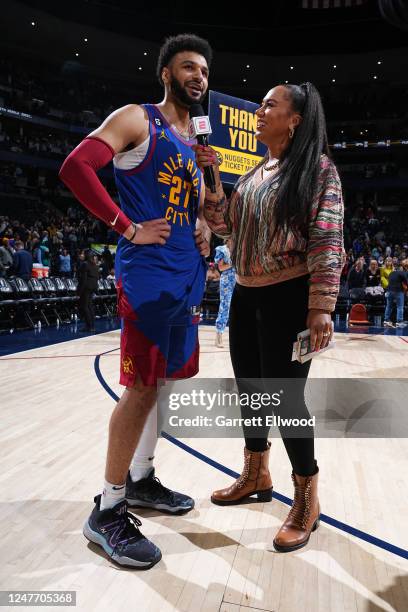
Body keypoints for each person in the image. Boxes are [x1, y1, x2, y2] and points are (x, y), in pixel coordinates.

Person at [59, 33, 212, 569]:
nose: (200, 76)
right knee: (141, 386)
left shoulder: (192, 142)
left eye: (205, 71)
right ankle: (107, 509)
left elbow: (185, 207)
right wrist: (124, 227)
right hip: (147, 277)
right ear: (167, 74)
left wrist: (201, 229)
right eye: (189, 67)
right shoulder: (136, 118)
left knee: (162, 382)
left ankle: (142, 479)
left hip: (183, 275)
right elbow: (76, 167)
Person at [193, 81, 344, 552]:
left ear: (294, 119)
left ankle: (306, 496)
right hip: (248, 293)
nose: (260, 112)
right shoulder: (259, 172)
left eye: (269, 105)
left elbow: (327, 237)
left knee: (285, 399)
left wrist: (320, 305)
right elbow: (226, 227)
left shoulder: (317, 169)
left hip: (291, 296)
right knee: (251, 391)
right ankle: (257, 472)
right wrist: (213, 180)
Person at [214, 239, 235, 348]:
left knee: (237, 308)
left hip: (238, 280)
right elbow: (221, 267)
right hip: (227, 280)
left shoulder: (238, 248)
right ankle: (219, 335)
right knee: (225, 307)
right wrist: (233, 263)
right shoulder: (222, 249)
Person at [77, 250, 99, 332]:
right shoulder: (95, 265)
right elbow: (97, 278)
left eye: (83, 254)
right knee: (90, 306)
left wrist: (79, 291)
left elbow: (83, 280)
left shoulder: (85, 264)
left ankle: (89, 326)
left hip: (86, 288)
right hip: (93, 287)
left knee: (85, 307)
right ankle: (92, 326)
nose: (82, 255)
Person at [383, 259, 408, 328]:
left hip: (389, 291)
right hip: (398, 291)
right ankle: (399, 322)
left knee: (389, 306)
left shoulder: (391, 273)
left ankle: (386, 321)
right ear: (402, 268)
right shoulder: (402, 273)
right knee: (400, 307)